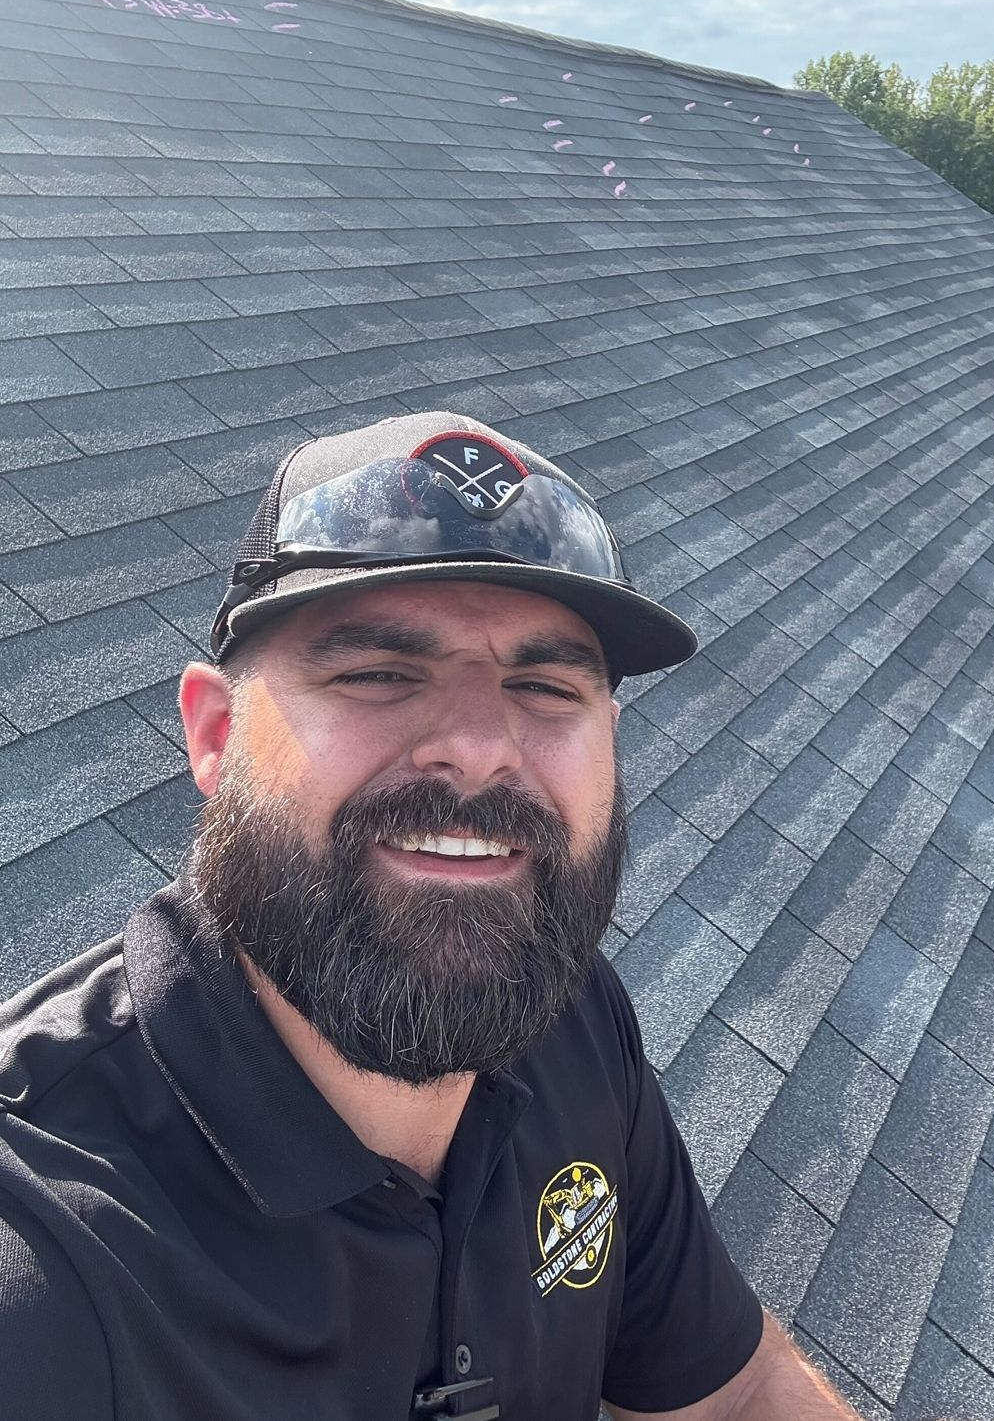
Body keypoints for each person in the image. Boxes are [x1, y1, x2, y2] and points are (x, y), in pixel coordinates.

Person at [0, 411, 862, 1420]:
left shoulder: (569, 1019)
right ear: (217, 734)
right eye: (378, 673)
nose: (480, 745)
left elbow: (739, 1393)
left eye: (544, 686)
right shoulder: (48, 1258)